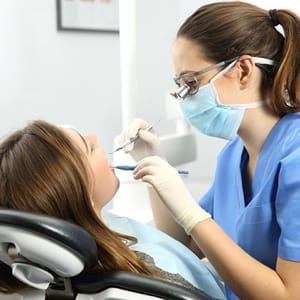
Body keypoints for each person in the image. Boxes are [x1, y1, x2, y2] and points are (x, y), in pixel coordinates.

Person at [118, 1, 300, 299]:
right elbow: (183, 243)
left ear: (243, 70)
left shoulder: (296, 156)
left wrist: (192, 213)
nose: (184, 98)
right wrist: (153, 163)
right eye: (180, 85)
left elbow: (290, 295)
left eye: (191, 82)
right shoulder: (232, 157)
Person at [0, 120, 225, 300]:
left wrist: (152, 164)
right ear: (83, 194)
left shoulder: (75, 238)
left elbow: (171, 246)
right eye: (89, 148)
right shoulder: (149, 283)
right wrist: (190, 214)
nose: (94, 137)